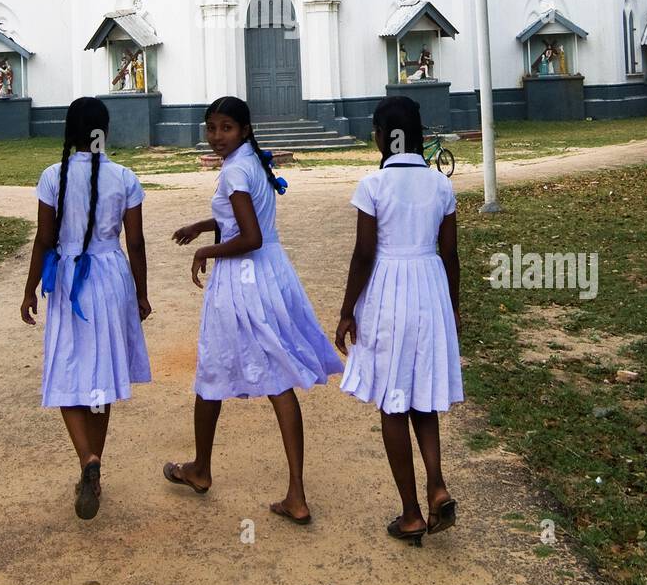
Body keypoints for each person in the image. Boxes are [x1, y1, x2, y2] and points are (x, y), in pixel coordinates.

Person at [164, 95, 341, 525]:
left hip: (243, 278)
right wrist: (202, 225)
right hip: (270, 276)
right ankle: (294, 493)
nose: (216, 136)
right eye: (211, 128)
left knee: (212, 369)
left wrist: (206, 248)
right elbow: (242, 219)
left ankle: (202, 468)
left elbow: (250, 236)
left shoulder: (237, 170)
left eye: (225, 128)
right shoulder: (251, 162)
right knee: (278, 377)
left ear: (242, 130)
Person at [336, 95, 462, 545]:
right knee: (422, 398)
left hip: (390, 293)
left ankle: (410, 512)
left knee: (393, 401)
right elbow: (450, 256)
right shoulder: (441, 186)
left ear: (378, 136)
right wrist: (455, 310)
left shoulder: (372, 186)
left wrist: (347, 309)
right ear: (419, 134)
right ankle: (437, 484)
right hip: (430, 289)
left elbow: (364, 253)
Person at [20, 96, 151, 520]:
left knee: (67, 371)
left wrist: (29, 289)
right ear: (105, 132)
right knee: (102, 376)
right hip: (112, 279)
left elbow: (43, 239)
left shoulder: (52, 177)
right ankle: (94, 461)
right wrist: (142, 294)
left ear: (69, 132)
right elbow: (136, 243)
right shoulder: (125, 177)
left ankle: (87, 461)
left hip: (69, 278)